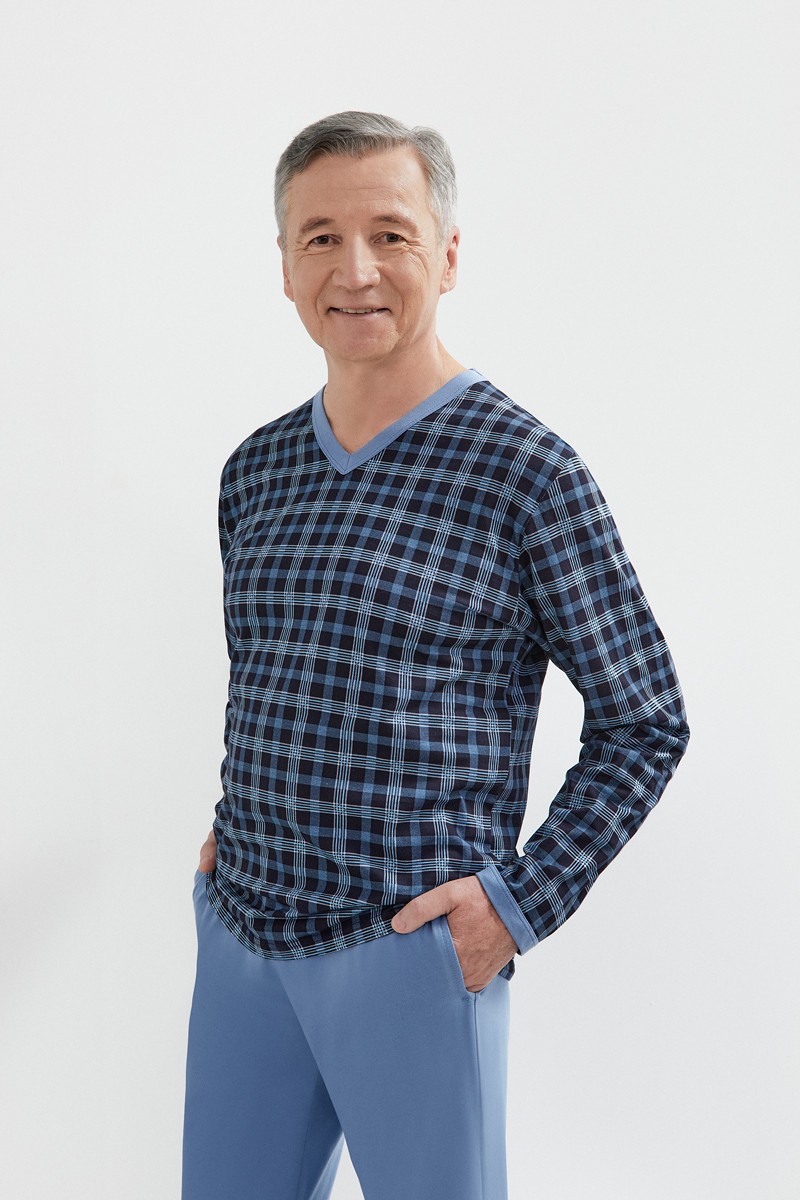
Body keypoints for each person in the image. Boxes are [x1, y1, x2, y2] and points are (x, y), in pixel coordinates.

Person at [181, 111, 690, 1200]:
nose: (355, 270)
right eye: (321, 238)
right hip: (241, 936)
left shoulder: (526, 473)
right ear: (284, 266)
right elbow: (268, 675)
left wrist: (516, 906)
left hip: (409, 951)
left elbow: (645, 719)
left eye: (390, 235)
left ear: (447, 255)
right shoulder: (255, 471)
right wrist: (235, 833)